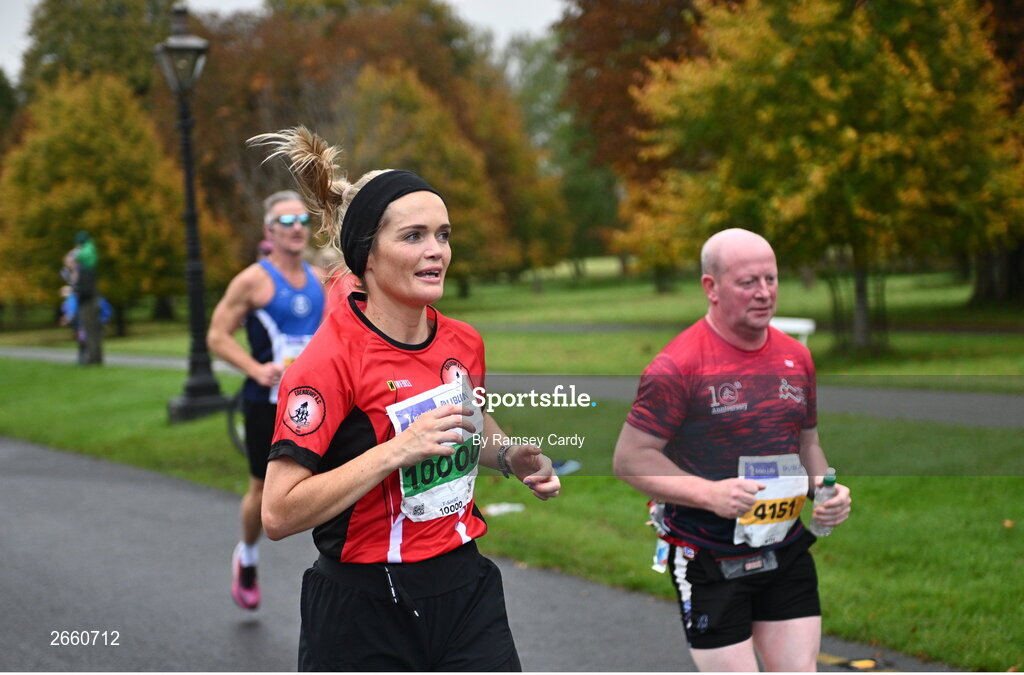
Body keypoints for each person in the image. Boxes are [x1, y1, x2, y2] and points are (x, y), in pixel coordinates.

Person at [251, 126, 561, 671]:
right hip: (364, 608)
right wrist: (398, 449)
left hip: (465, 588)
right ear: (367, 254)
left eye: (443, 234)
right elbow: (277, 512)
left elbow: (468, 420)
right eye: (414, 236)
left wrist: (511, 456)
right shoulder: (328, 363)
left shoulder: (462, 341)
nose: (436, 251)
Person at [613, 228, 851, 672]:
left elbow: (808, 442)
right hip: (709, 555)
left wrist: (825, 488)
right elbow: (630, 459)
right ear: (711, 287)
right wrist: (711, 494)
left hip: (785, 546)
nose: (764, 293)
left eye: (772, 279)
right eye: (748, 282)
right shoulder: (677, 366)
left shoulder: (797, 357)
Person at [207, 190, 326, 611]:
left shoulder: (319, 279)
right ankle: (248, 555)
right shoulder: (253, 280)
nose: (297, 229)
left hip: (315, 405)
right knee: (261, 488)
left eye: (302, 222)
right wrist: (255, 370)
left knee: (328, 483)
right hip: (265, 402)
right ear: (269, 230)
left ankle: (336, 569)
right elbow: (217, 335)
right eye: (286, 222)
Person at [73, 231, 103, 365]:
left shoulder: (85, 269)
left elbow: (85, 289)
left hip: (88, 302)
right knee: (95, 331)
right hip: (93, 299)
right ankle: (97, 357)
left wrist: (77, 292)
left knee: (89, 330)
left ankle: (92, 358)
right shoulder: (91, 261)